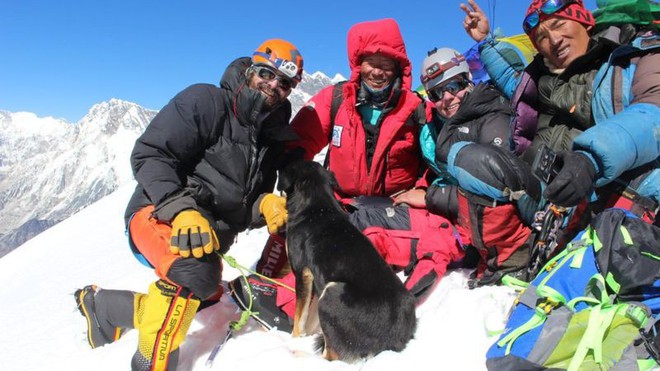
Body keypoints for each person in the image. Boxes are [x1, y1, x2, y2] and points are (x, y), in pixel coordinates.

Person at [73, 39, 304, 371]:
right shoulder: (206, 102)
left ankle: (104, 309)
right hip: (157, 214)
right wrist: (181, 211)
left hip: (206, 237)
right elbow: (150, 155)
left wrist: (264, 204)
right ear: (251, 70)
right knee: (193, 272)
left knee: (205, 296)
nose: (274, 86)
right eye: (267, 74)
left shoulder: (269, 135)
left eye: (284, 83)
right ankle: (152, 363)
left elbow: (240, 205)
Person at [229, 18, 463, 331]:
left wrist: (424, 191)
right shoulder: (336, 99)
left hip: (390, 208)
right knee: (296, 222)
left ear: (399, 69)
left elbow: (441, 164)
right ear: (358, 63)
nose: (378, 72)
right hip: (339, 200)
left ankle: (284, 304)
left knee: (348, 240)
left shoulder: (416, 110)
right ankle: (265, 279)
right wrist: (300, 189)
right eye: (371, 62)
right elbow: (297, 144)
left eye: (387, 64)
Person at [460, 0, 659, 231]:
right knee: (466, 157)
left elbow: (652, 111)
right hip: (553, 208)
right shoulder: (536, 81)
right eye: (542, 37)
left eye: (559, 24)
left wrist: (591, 159)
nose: (554, 40)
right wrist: (484, 41)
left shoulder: (634, 53)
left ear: (584, 22)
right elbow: (507, 75)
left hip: (623, 193)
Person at [418, 47, 541, 286]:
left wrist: (433, 195)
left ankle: (513, 263)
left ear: (468, 81)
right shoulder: (450, 124)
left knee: (471, 160)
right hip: (467, 225)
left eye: (453, 87)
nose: (446, 98)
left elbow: (493, 188)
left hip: (506, 237)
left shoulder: (492, 117)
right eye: (436, 94)